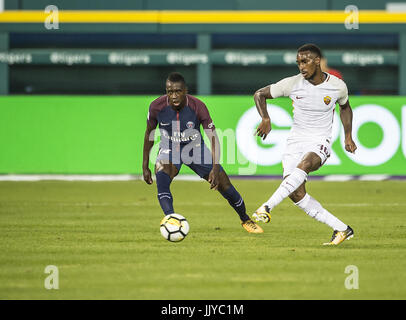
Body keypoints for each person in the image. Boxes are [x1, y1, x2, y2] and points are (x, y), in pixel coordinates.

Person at [252, 43, 357, 245]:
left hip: (320, 140)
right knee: (296, 193)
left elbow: (345, 108)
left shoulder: (337, 85)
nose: (301, 66)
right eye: (299, 62)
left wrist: (348, 135)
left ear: (317, 61)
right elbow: (259, 94)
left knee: (306, 164)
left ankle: (266, 207)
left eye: (305, 61)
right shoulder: (292, 84)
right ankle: (342, 228)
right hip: (295, 141)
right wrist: (265, 118)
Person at [143, 72, 263, 233]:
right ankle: (172, 220)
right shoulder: (156, 107)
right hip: (170, 147)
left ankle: (245, 219)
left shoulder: (198, 106)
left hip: (195, 149)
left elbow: (213, 139)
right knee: (162, 173)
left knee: (225, 185)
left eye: (178, 91)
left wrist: (215, 167)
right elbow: (148, 134)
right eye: (169, 92)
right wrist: (145, 165)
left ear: (185, 90)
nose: (173, 96)